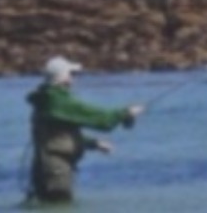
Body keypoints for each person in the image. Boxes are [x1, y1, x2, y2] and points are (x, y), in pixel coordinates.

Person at [25, 55, 145, 204]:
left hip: (46, 168)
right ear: (61, 77)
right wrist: (126, 112)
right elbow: (103, 120)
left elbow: (59, 135)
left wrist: (94, 144)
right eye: (71, 74)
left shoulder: (48, 100)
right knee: (60, 205)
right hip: (56, 170)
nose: (74, 78)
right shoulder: (58, 101)